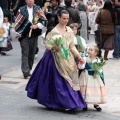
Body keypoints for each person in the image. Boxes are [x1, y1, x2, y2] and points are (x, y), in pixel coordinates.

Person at [26, 10, 86, 111]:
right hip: (53, 58)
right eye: (64, 18)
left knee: (69, 80)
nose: (66, 20)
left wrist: (78, 56)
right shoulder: (53, 30)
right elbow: (47, 44)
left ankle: (71, 102)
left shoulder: (69, 30)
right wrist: (54, 48)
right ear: (58, 17)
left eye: (67, 18)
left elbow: (71, 46)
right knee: (56, 81)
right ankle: (60, 102)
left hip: (67, 58)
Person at [15, 0, 45, 79]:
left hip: (34, 35)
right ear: (25, 1)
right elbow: (17, 22)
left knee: (32, 53)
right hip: (24, 36)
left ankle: (29, 69)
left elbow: (43, 21)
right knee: (25, 53)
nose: (30, 1)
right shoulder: (21, 9)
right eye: (28, 0)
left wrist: (37, 25)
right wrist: (18, 32)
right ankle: (25, 71)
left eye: (31, 0)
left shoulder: (38, 9)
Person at [79, 45, 107, 111]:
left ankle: (96, 103)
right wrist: (81, 63)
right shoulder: (85, 59)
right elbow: (81, 67)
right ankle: (85, 103)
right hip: (85, 77)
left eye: (91, 50)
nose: (89, 51)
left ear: (96, 53)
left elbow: (101, 70)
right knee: (85, 90)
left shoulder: (98, 60)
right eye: (89, 49)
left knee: (95, 90)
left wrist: (97, 68)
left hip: (95, 78)